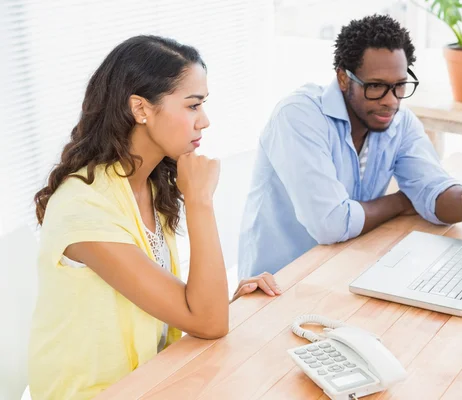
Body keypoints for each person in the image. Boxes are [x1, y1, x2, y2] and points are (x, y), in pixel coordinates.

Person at [29, 35, 280, 399]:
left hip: (153, 379)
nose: (204, 121)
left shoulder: (150, 185)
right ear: (141, 109)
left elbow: (171, 315)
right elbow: (207, 324)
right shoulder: (84, 206)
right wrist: (200, 201)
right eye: (193, 106)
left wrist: (223, 302)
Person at [238, 15, 462, 279]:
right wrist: (400, 201)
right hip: (276, 283)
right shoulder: (298, 116)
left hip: (345, 266)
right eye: (376, 86)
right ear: (343, 78)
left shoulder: (399, 121)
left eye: (399, 86)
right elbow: (330, 224)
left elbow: (431, 191)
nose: (391, 101)